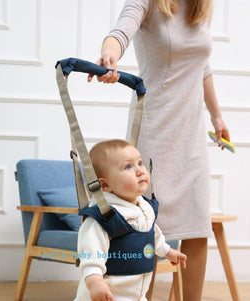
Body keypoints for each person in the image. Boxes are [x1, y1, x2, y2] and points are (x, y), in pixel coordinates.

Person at [87, 1, 231, 300]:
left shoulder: (199, 8)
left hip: (191, 133)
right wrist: (110, 55)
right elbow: (120, 32)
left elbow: (202, 66)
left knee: (195, 227)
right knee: (146, 225)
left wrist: (217, 116)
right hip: (155, 127)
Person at [74, 139, 187, 301]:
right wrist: (95, 282)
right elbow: (90, 253)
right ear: (105, 185)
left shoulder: (144, 205)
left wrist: (167, 251)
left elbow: (151, 234)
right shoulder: (103, 217)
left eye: (140, 163)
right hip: (109, 294)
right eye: (128, 166)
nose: (140, 170)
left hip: (137, 294)